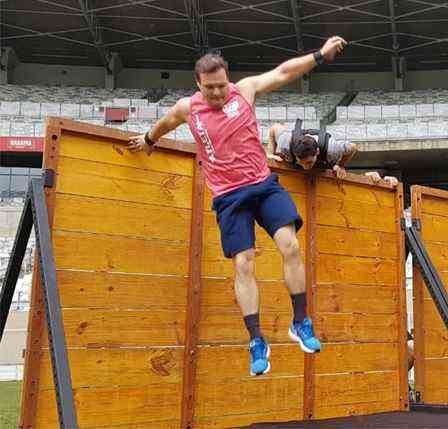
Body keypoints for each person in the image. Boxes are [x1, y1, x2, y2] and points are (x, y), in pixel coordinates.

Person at [127, 36, 348, 376]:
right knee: (244, 263)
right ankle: (257, 340)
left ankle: (300, 322)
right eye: (209, 88)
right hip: (229, 197)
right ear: (198, 84)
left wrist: (320, 56)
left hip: (262, 185)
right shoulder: (189, 108)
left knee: (290, 246)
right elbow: (168, 122)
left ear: (227, 78)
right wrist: (148, 139)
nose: (216, 93)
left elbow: (284, 72)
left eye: (220, 86)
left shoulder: (244, 91)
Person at [267, 121, 398, 186]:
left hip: (325, 165)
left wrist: (340, 165)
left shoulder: (332, 148)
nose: (305, 167)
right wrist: (270, 155)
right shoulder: (285, 142)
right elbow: (274, 128)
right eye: (301, 162)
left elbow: (352, 147)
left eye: (308, 162)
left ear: (317, 152)